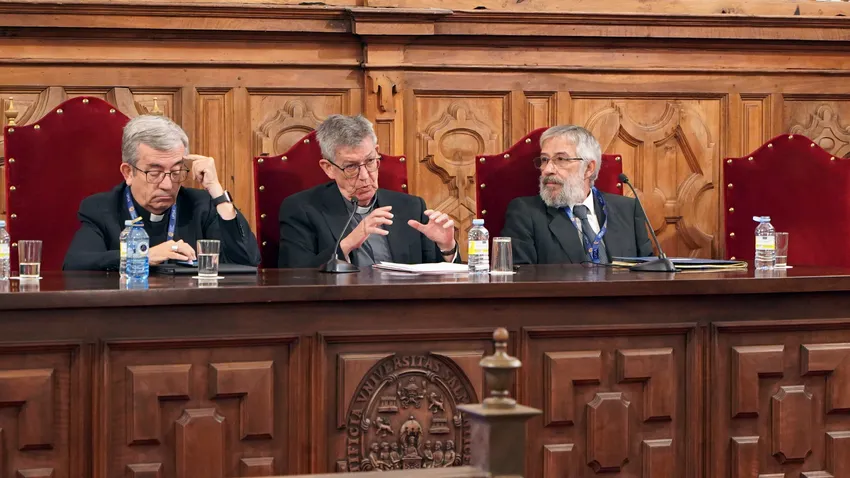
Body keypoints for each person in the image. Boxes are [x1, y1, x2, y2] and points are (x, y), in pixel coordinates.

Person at [63, 115, 261, 271]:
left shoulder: (201, 206)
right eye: (155, 173)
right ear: (128, 172)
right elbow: (75, 264)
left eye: (176, 172)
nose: (167, 185)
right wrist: (142, 256)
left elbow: (248, 261)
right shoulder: (102, 209)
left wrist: (217, 192)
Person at [278, 114, 459, 268]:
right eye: (351, 166)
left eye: (370, 161)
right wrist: (347, 244)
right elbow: (295, 277)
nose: (365, 176)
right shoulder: (302, 209)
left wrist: (447, 248)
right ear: (328, 168)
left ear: (376, 152)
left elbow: (437, 278)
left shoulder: (411, 207)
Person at [501, 125, 653, 264]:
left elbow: (649, 270)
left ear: (588, 168)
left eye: (560, 159)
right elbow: (522, 276)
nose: (547, 170)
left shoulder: (628, 209)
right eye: (544, 160)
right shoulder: (526, 213)